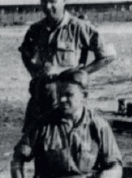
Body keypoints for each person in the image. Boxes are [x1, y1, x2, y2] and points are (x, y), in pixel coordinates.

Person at [19, 0, 116, 134]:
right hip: (39, 98)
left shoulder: (79, 27)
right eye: (44, 1)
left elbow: (107, 56)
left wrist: (81, 73)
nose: (47, 6)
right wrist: (34, 73)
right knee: (30, 145)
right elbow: (25, 53)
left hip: (66, 101)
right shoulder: (36, 29)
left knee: (63, 143)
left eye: (53, 1)